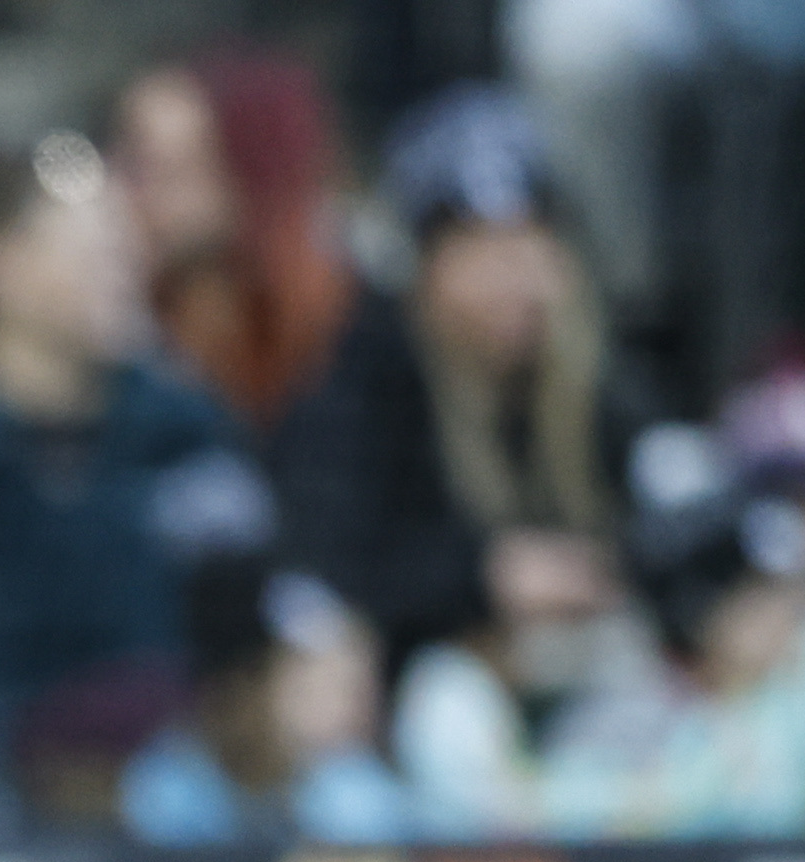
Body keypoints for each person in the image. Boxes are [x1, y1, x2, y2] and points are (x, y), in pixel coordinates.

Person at [0, 136, 259, 807]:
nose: (122, 269)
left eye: (124, 247)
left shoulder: (182, 428)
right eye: (89, 250)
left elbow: (239, 615)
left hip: (167, 794)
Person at [267, 89, 651, 678]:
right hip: (419, 695)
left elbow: (661, 507)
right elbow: (329, 572)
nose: (515, 273)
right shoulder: (369, 383)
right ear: (423, 267)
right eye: (480, 248)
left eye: (531, 241)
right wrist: (487, 577)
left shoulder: (590, 372)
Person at [534, 434, 805, 838]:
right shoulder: (625, 713)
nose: (791, 612)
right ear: (699, 621)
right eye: (760, 595)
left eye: (788, 589)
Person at [107, 53, 351, 431]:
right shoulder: (123, 339)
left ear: (249, 177)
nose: (129, 192)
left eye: (166, 170)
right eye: (129, 164)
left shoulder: (352, 341)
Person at [119, 551, 414, 843]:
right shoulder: (173, 783)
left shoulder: (355, 793)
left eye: (360, 688)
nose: (357, 707)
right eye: (331, 685)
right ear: (253, 683)